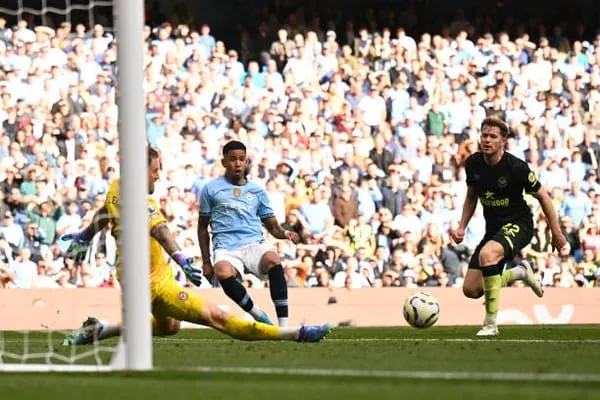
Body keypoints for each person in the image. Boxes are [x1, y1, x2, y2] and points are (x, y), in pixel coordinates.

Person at [61, 147, 332, 345]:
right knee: (219, 318)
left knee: (169, 327)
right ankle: (295, 333)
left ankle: (100, 330)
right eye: (155, 171)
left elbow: (103, 213)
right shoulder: (145, 204)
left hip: (140, 280)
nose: (158, 176)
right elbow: (162, 231)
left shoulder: (116, 188)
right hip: (155, 286)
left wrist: (84, 236)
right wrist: (181, 260)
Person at [452, 116, 567, 336]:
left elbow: (543, 196)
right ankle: (520, 273)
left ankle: (490, 324)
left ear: (503, 140)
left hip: (519, 224)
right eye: (484, 135)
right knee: (471, 289)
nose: (487, 140)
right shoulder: (473, 163)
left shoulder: (516, 168)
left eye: (493, 136)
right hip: (493, 230)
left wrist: (556, 231)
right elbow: (471, 197)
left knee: (487, 255)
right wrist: (461, 226)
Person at [198, 140, 298, 327]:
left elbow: (272, 226)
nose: (237, 163)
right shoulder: (210, 189)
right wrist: (206, 261)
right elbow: (202, 227)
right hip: (226, 248)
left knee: (274, 261)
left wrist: (285, 233)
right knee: (222, 272)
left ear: (246, 162)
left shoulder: (257, 191)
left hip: (254, 244)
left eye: (242, 159)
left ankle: (283, 326)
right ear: (224, 162)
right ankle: (258, 315)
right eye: (233, 159)